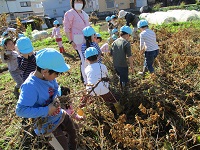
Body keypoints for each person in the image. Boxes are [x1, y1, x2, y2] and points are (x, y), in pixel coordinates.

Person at [15, 48, 78, 150]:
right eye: (56, 73)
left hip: (59, 114)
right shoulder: (30, 87)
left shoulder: (49, 78)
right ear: (45, 71)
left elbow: (55, 88)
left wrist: (58, 96)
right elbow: (20, 110)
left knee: (73, 132)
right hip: (47, 125)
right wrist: (47, 110)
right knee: (63, 147)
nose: (57, 76)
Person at [80, 47, 122, 115]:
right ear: (98, 57)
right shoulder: (102, 66)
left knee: (85, 100)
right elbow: (107, 77)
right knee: (113, 98)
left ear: (86, 59)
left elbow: (86, 81)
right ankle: (119, 110)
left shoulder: (86, 69)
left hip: (91, 90)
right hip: (104, 88)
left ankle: (80, 113)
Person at [63, 0, 89, 84]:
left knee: (88, 58)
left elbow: (88, 26)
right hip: (77, 41)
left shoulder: (84, 14)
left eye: (80, 1)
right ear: (73, 3)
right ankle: (85, 80)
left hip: (87, 39)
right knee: (83, 59)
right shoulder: (69, 13)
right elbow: (67, 29)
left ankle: (88, 75)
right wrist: (70, 41)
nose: (79, 3)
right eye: (77, 1)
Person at [110, 26, 134, 90]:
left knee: (120, 78)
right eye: (129, 36)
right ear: (127, 35)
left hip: (115, 65)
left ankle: (121, 89)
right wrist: (132, 66)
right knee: (125, 80)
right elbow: (129, 56)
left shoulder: (114, 42)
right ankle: (125, 92)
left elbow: (111, 54)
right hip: (123, 65)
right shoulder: (126, 43)